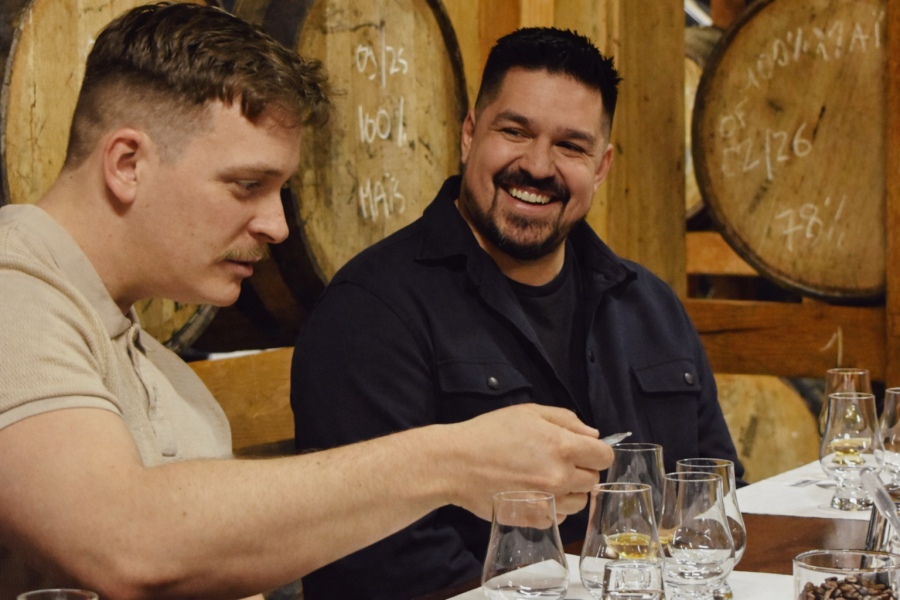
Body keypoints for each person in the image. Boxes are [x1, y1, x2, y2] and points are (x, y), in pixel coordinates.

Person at [0, 7, 615, 599]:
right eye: (247, 185)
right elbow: (124, 544)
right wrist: (453, 461)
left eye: (279, 191)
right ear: (127, 163)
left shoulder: (161, 374)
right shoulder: (13, 295)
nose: (276, 225)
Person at [291, 27, 743, 600]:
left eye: (571, 146)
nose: (537, 165)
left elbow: (713, 499)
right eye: (515, 132)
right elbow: (381, 565)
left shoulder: (650, 304)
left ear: (601, 167)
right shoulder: (370, 310)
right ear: (469, 134)